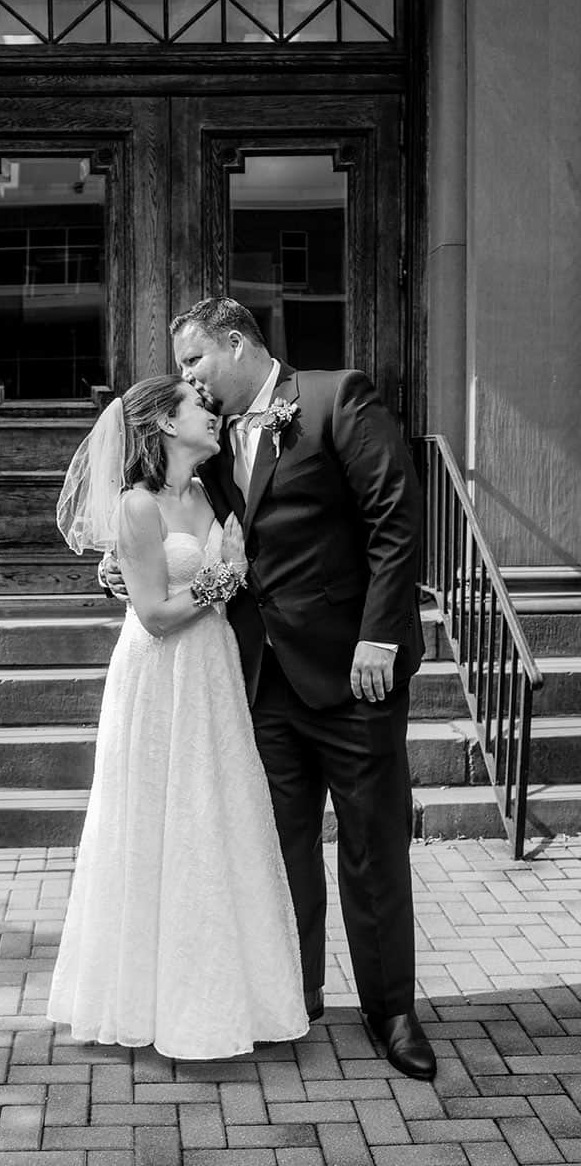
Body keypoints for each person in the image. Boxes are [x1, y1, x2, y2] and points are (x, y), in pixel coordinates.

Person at [104, 297, 436, 1081]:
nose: (188, 378)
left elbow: (396, 519)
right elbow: (172, 509)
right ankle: (298, 991)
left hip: (357, 671)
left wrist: (379, 635)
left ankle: (392, 1012)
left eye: (193, 362)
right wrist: (120, 560)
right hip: (256, 680)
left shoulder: (335, 399)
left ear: (234, 342)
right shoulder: (209, 438)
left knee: (371, 848)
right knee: (278, 844)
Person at [47, 374, 309, 1060]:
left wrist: (228, 577)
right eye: (200, 406)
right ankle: (148, 1001)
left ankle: (229, 996)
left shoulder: (206, 492)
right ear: (164, 422)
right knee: (158, 820)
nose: (212, 413)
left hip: (214, 671)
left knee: (215, 820)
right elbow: (156, 616)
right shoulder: (138, 508)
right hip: (162, 675)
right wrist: (222, 580)